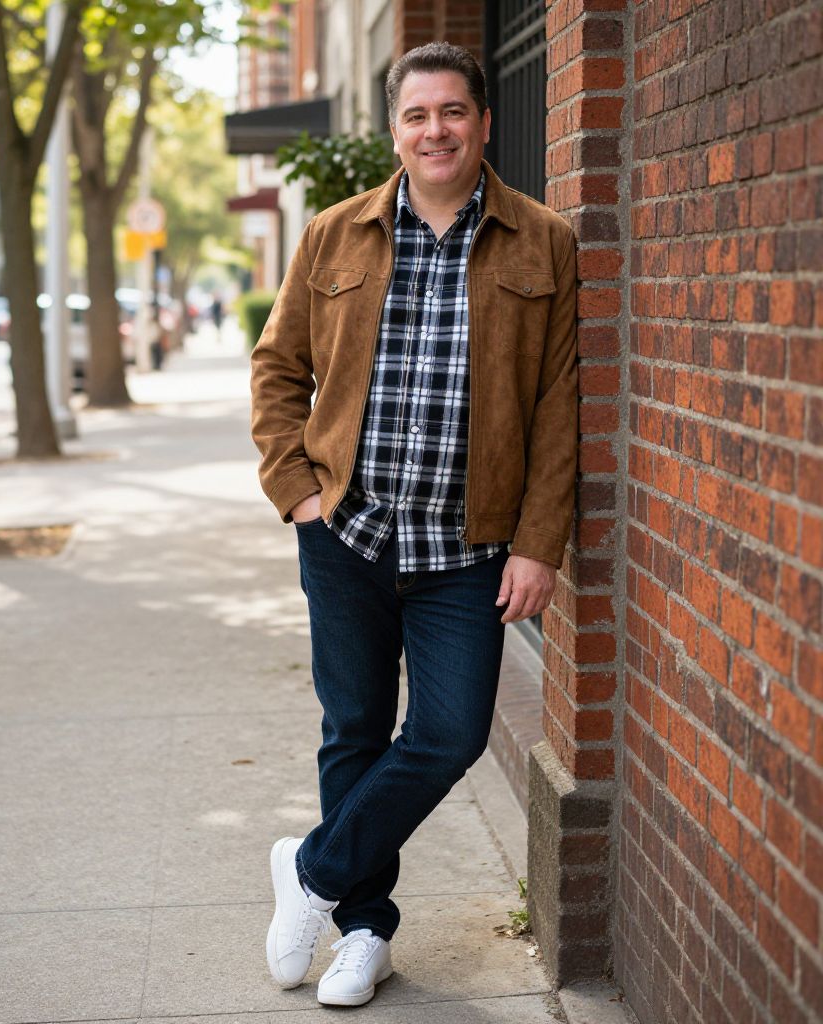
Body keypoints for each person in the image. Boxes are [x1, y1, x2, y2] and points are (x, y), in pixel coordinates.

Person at [250, 41, 578, 1007]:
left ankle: (310, 870)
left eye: (452, 112)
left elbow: (559, 403)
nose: (435, 131)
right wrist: (299, 494)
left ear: (484, 122)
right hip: (345, 534)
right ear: (394, 130)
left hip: (467, 551)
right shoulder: (332, 237)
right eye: (416, 115)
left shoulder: (543, 241)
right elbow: (277, 371)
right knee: (353, 729)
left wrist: (538, 541)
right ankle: (364, 930)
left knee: (448, 732)